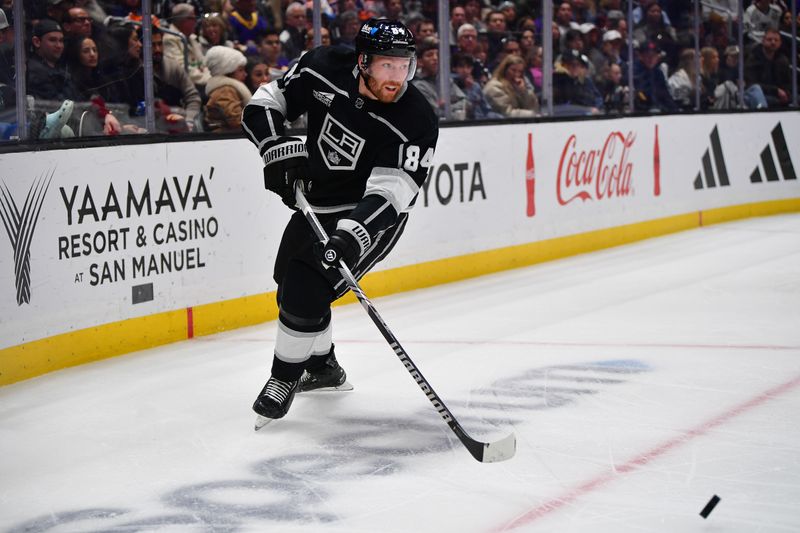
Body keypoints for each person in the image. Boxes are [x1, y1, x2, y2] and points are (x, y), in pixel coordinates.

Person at [241, 18, 438, 420]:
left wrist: (351, 235)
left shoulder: (416, 118)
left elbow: (393, 191)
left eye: (404, 67)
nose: (396, 78)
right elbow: (264, 102)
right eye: (387, 66)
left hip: (370, 217)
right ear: (363, 61)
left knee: (306, 286)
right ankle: (323, 366)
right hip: (317, 201)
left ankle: (284, 377)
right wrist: (275, 145)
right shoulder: (322, 66)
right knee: (288, 286)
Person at [411, 36, 467, 119]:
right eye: (430, 55)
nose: (435, 58)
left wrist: (446, 106)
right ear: (420, 62)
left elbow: (464, 102)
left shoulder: (445, 80)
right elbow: (434, 112)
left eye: (437, 54)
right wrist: (456, 112)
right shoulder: (418, 86)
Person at [203, 45, 250, 131]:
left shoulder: (227, 89)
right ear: (227, 72)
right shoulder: (225, 91)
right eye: (240, 70)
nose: (245, 74)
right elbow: (237, 122)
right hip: (226, 140)